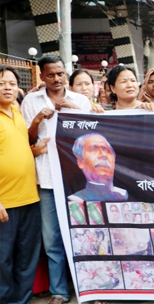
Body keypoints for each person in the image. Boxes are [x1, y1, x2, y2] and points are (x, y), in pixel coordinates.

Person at [21, 55, 96, 304]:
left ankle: (90, 287)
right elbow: (28, 139)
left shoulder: (80, 100)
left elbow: (93, 134)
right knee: (52, 238)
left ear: (67, 73)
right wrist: (38, 119)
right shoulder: (32, 101)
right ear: (41, 76)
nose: (56, 79)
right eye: (50, 74)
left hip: (77, 177)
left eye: (60, 74)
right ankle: (59, 291)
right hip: (47, 178)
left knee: (84, 234)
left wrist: (74, 112)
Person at [0, 66, 45, 304]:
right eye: (1, 83)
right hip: (5, 204)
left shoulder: (16, 112)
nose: (7, 87)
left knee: (26, 258)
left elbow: (20, 146)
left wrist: (36, 150)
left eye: (11, 83)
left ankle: (23, 301)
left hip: (30, 199)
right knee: (2, 261)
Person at [68, 133, 128, 202]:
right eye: (93, 149)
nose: (103, 155)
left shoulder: (124, 194)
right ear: (81, 162)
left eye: (106, 150)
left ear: (114, 159)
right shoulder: (76, 199)